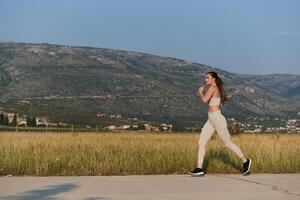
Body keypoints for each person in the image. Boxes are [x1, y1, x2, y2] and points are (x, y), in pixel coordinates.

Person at [189, 71, 251, 176]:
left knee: (227, 143)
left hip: (217, 119)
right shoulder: (217, 89)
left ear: (213, 79)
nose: (206, 80)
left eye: (207, 78)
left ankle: (246, 161)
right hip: (211, 119)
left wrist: (200, 92)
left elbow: (205, 100)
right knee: (201, 142)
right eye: (205, 78)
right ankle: (199, 168)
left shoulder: (213, 88)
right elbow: (219, 104)